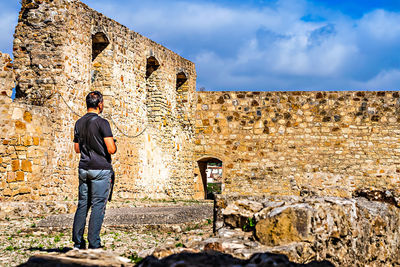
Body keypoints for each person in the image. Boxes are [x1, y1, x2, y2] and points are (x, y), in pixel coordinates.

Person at [72, 91, 117, 249]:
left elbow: (77, 149)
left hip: (84, 168)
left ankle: (77, 243)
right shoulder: (102, 123)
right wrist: (113, 144)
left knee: (82, 204)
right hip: (100, 169)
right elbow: (111, 149)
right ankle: (94, 243)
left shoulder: (78, 123)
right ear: (100, 104)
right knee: (98, 205)